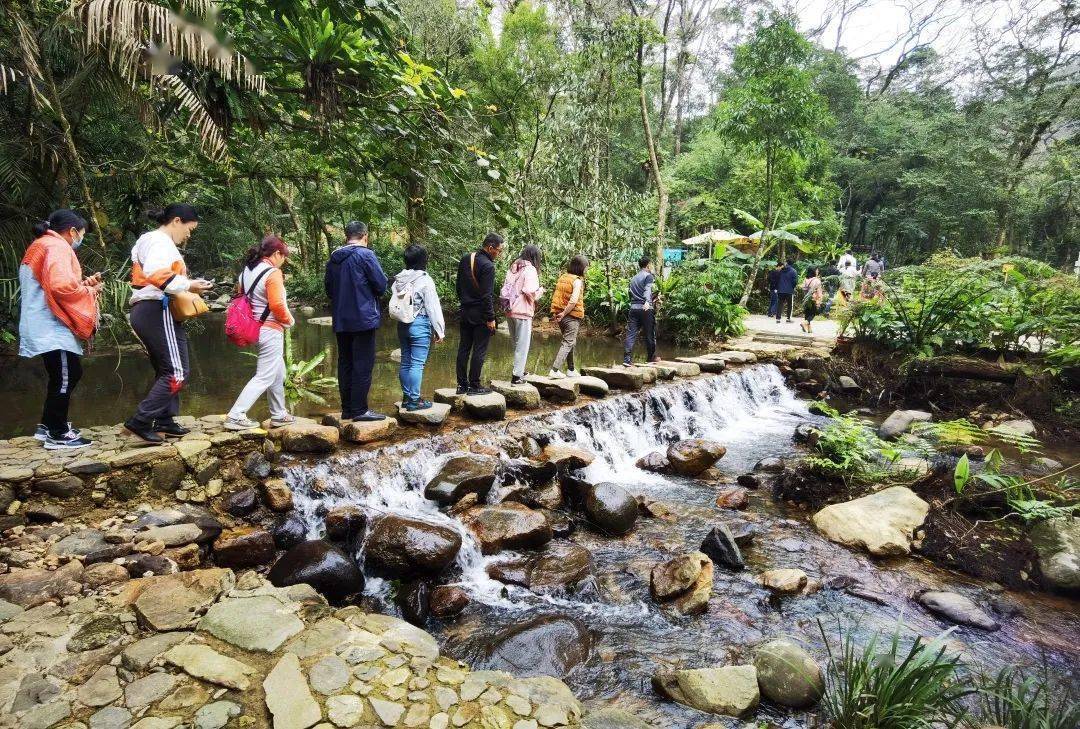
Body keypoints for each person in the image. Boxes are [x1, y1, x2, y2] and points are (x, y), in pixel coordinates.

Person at [124, 204, 213, 443]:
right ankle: (141, 421)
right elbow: (156, 272)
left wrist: (187, 283)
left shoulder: (150, 240)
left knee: (168, 369)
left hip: (150, 310)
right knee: (176, 371)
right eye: (189, 229)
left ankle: (164, 420)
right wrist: (189, 285)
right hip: (156, 309)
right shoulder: (159, 241)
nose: (189, 235)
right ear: (176, 221)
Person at [20, 209, 101, 449]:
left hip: (41, 320)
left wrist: (83, 284)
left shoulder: (41, 244)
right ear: (73, 231)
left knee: (62, 375)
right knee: (68, 375)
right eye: (82, 234)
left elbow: (53, 284)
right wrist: (90, 291)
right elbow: (60, 288)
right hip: (51, 324)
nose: (80, 239)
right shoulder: (57, 247)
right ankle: (57, 433)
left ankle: (47, 426)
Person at [224, 235, 296, 430]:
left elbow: (243, 299)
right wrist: (289, 320)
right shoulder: (273, 273)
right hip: (271, 329)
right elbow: (277, 304)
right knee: (264, 376)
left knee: (277, 372)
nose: (284, 261)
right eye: (284, 256)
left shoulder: (245, 273)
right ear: (276, 254)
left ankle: (279, 414)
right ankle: (236, 415)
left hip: (255, 329)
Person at [325, 221, 388, 421]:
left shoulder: (334, 259)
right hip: (363, 318)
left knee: (345, 363)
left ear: (347, 236)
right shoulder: (366, 255)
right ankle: (360, 410)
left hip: (341, 319)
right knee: (362, 363)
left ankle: (347, 409)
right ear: (365, 236)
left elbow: (329, 290)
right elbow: (380, 285)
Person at [391, 244, 445, 411]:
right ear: (423, 260)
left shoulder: (398, 279)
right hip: (419, 324)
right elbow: (433, 307)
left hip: (402, 325)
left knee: (406, 362)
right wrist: (439, 330)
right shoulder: (424, 279)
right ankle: (415, 401)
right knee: (417, 364)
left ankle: (407, 398)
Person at [455, 232, 503, 394]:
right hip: (480, 313)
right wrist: (490, 318)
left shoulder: (465, 259)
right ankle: (474, 386)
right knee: (479, 350)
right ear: (490, 248)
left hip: (465, 310)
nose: (499, 253)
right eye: (499, 250)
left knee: (464, 348)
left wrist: (465, 302)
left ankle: (461, 386)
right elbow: (486, 295)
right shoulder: (488, 266)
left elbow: (458, 287)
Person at [502, 245, 543, 384]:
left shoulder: (514, 267)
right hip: (523, 311)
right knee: (523, 344)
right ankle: (517, 376)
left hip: (509, 310)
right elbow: (529, 290)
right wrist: (540, 292)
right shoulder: (530, 269)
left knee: (516, 342)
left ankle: (519, 370)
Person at [548, 255, 588, 379]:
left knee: (570, 341)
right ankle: (555, 370)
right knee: (568, 342)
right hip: (571, 315)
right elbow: (573, 301)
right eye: (586, 267)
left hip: (560, 314)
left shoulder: (563, 277)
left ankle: (571, 369)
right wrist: (565, 313)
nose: (586, 270)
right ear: (580, 267)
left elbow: (557, 296)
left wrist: (559, 314)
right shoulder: (577, 280)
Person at [623, 256, 660, 365]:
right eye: (651, 264)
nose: (652, 266)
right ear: (648, 265)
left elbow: (630, 293)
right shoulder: (648, 276)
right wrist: (647, 301)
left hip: (633, 308)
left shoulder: (634, 278)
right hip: (645, 309)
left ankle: (627, 360)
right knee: (649, 334)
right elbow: (647, 289)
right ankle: (651, 358)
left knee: (630, 334)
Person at [800, 267, 825, 334]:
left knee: (808, 312)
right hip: (814, 298)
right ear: (813, 272)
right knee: (815, 312)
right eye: (816, 271)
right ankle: (805, 323)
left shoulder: (805, 279)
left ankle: (808, 328)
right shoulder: (817, 280)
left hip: (806, 298)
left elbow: (803, 288)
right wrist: (820, 299)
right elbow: (819, 291)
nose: (817, 272)